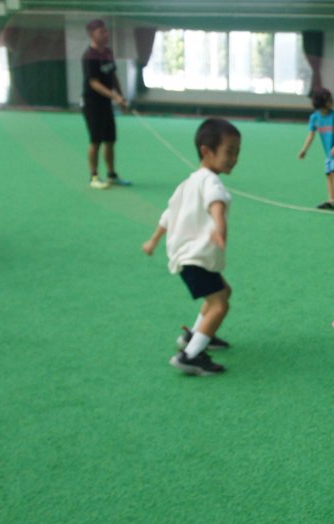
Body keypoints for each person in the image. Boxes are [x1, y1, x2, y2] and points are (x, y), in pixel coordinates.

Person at [141, 118, 241, 376]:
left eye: (237, 153)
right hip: (197, 257)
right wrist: (219, 226)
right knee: (220, 305)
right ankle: (191, 355)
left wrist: (153, 240)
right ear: (206, 151)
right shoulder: (211, 181)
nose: (234, 159)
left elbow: (168, 216)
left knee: (222, 292)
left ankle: (196, 335)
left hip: (186, 258)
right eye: (229, 152)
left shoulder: (186, 184)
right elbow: (216, 203)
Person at [81, 18, 131, 189]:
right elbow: (93, 83)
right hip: (92, 104)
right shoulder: (89, 57)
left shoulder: (108, 53)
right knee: (96, 141)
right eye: (101, 32)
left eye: (106, 31)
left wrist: (121, 97)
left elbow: (113, 76)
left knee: (110, 140)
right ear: (91, 34)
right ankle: (94, 177)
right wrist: (114, 97)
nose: (106, 34)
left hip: (106, 103)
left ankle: (111, 175)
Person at [298, 88, 334, 210]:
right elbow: (311, 134)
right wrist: (304, 150)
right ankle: (330, 199)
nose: (332, 102)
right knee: (328, 174)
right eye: (328, 100)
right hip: (328, 151)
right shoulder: (315, 117)